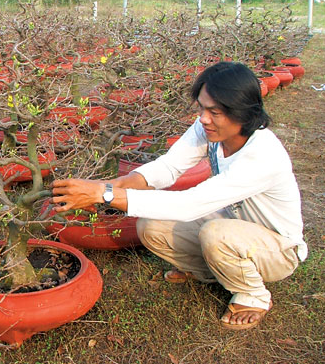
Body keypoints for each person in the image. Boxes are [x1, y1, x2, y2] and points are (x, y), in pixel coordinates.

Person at [52, 61, 306, 330]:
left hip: (277, 249)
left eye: (215, 112)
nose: (204, 118)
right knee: (150, 226)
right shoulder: (209, 129)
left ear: (243, 113)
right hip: (231, 225)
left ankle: (254, 295)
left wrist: (103, 195)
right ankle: (213, 272)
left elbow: (188, 205)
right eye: (202, 108)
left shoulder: (262, 155)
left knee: (215, 234)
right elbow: (169, 167)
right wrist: (112, 187)